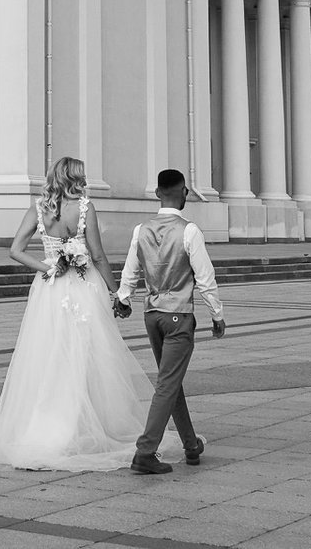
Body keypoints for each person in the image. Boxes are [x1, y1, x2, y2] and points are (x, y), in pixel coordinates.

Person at [0, 156, 150, 471]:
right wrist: (115, 292)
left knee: (49, 354)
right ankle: (82, 424)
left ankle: (48, 425)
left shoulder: (39, 209)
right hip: (83, 288)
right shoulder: (84, 208)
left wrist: (48, 267)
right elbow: (97, 254)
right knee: (87, 354)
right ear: (76, 177)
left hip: (49, 291)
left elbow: (15, 250)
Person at [114, 168, 227, 475]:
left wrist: (124, 298)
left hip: (152, 314)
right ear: (183, 192)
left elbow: (130, 270)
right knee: (167, 384)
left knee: (170, 380)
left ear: (157, 193)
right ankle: (145, 451)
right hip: (179, 316)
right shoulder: (189, 231)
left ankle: (191, 445)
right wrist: (216, 313)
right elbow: (205, 278)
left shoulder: (141, 229)